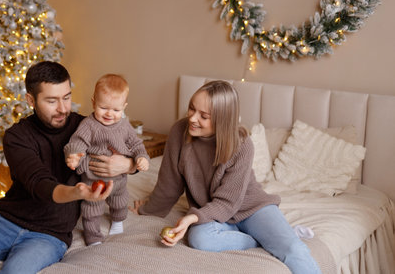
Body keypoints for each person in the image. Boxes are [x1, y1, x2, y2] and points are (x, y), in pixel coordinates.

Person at [0, 61, 137, 274]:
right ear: (31, 100)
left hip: (49, 236)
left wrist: (128, 165)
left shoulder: (87, 127)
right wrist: (76, 193)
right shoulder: (16, 137)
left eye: (66, 97)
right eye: (52, 101)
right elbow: (39, 183)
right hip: (4, 222)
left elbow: (133, 150)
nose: (63, 108)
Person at [130, 80, 321, 274]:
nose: (193, 119)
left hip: (251, 208)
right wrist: (148, 209)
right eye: (191, 109)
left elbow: (228, 202)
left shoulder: (242, 144)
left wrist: (191, 219)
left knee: (293, 249)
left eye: (204, 116)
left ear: (222, 119)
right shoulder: (179, 131)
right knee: (200, 239)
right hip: (212, 211)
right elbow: (169, 184)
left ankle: (277, 238)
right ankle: (263, 240)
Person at [64, 73, 150, 245]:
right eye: (103, 108)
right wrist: (73, 156)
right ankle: (93, 235)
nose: (110, 114)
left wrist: (142, 157)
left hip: (118, 180)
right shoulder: (89, 125)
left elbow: (135, 144)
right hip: (94, 179)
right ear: (93, 102)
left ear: (124, 107)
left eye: (116, 110)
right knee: (91, 208)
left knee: (120, 202)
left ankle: (117, 222)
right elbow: (77, 142)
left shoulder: (124, 125)